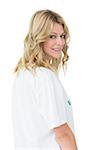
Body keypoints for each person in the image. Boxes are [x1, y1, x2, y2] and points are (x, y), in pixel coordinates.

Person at [12, 9, 78, 150]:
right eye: (52, 36)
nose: (60, 42)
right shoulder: (44, 77)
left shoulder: (23, 74)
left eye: (62, 36)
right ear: (39, 37)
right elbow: (63, 134)